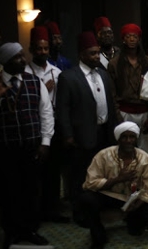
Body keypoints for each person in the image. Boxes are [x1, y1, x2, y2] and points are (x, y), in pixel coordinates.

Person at [0, 42, 54, 248]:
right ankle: (11, 232)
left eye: (23, 56)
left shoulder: (34, 81)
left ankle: (30, 230)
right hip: (5, 149)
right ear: (5, 61)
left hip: (32, 147)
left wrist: (45, 143)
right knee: (8, 192)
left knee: (31, 191)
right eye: (17, 57)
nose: (23, 60)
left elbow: (46, 113)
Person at [77, 122, 148, 249]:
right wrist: (118, 179)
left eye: (132, 137)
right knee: (86, 199)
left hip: (133, 199)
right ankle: (98, 234)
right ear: (118, 139)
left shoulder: (145, 159)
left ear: (136, 139)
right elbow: (90, 183)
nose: (128, 141)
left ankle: (133, 222)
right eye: (124, 137)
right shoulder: (103, 155)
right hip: (109, 196)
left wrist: (137, 204)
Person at [56, 32, 118, 204]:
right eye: (92, 53)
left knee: (103, 172)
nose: (97, 56)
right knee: (81, 175)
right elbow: (63, 109)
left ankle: (99, 206)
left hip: (104, 133)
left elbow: (111, 104)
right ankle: (80, 211)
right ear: (81, 54)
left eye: (98, 52)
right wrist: (68, 135)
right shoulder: (68, 77)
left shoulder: (103, 75)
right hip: (81, 135)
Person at [25, 26, 66, 223]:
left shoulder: (56, 71)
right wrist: (42, 88)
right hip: (33, 128)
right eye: (39, 49)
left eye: (45, 48)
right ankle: (35, 213)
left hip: (54, 127)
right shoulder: (25, 72)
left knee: (53, 172)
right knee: (34, 175)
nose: (43, 52)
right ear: (31, 49)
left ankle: (53, 210)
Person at [108, 24, 148, 154]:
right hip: (125, 111)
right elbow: (112, 93)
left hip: (145, 110)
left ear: (139, 39)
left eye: (135, 36)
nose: (132, 39)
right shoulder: (115, 63)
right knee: (126, 149)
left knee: (145, 150)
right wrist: (118, 116)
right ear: (123, 39)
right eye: (128, 36)